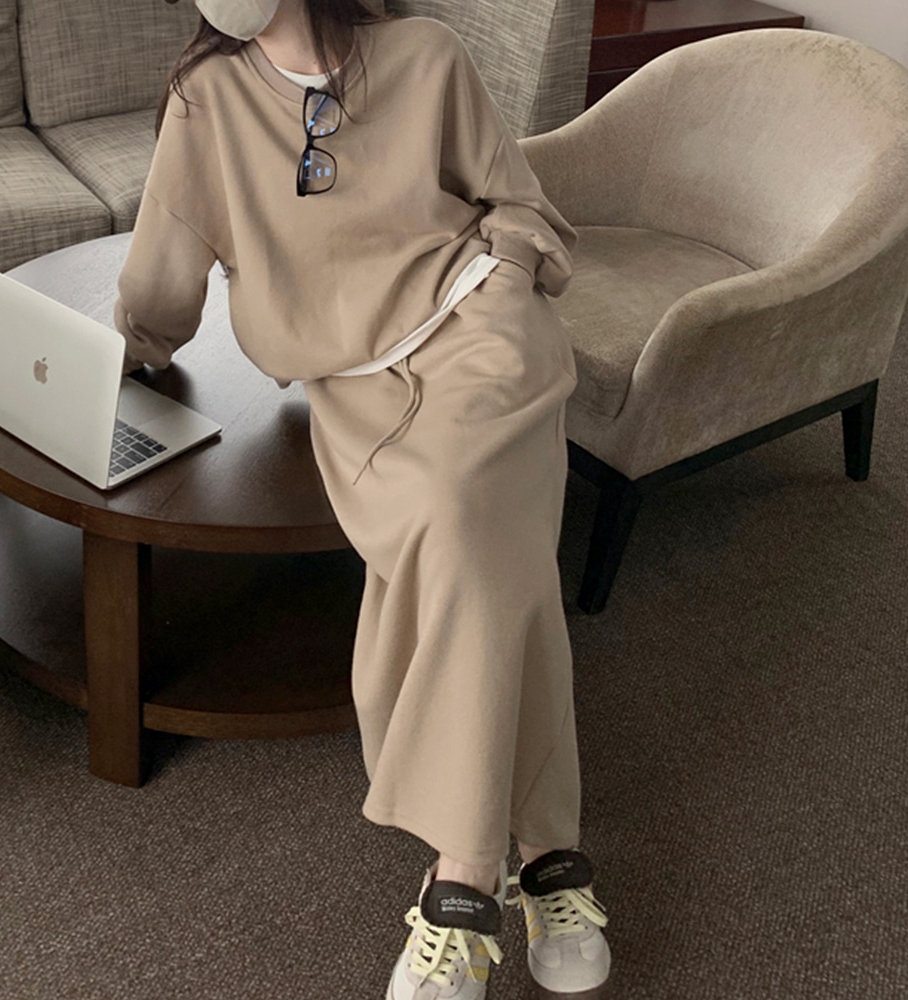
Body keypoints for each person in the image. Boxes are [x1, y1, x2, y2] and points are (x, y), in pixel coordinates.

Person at [113, 0, 611, 996]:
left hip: (483, 333)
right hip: (358, 384)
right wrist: (115, 356)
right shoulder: (208, 102)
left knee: (466, 517)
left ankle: (460, 876)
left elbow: (519, 203)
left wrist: (507, 276)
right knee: (484, 550)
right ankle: (545, 852)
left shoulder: (425, 55)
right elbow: (161, 282)